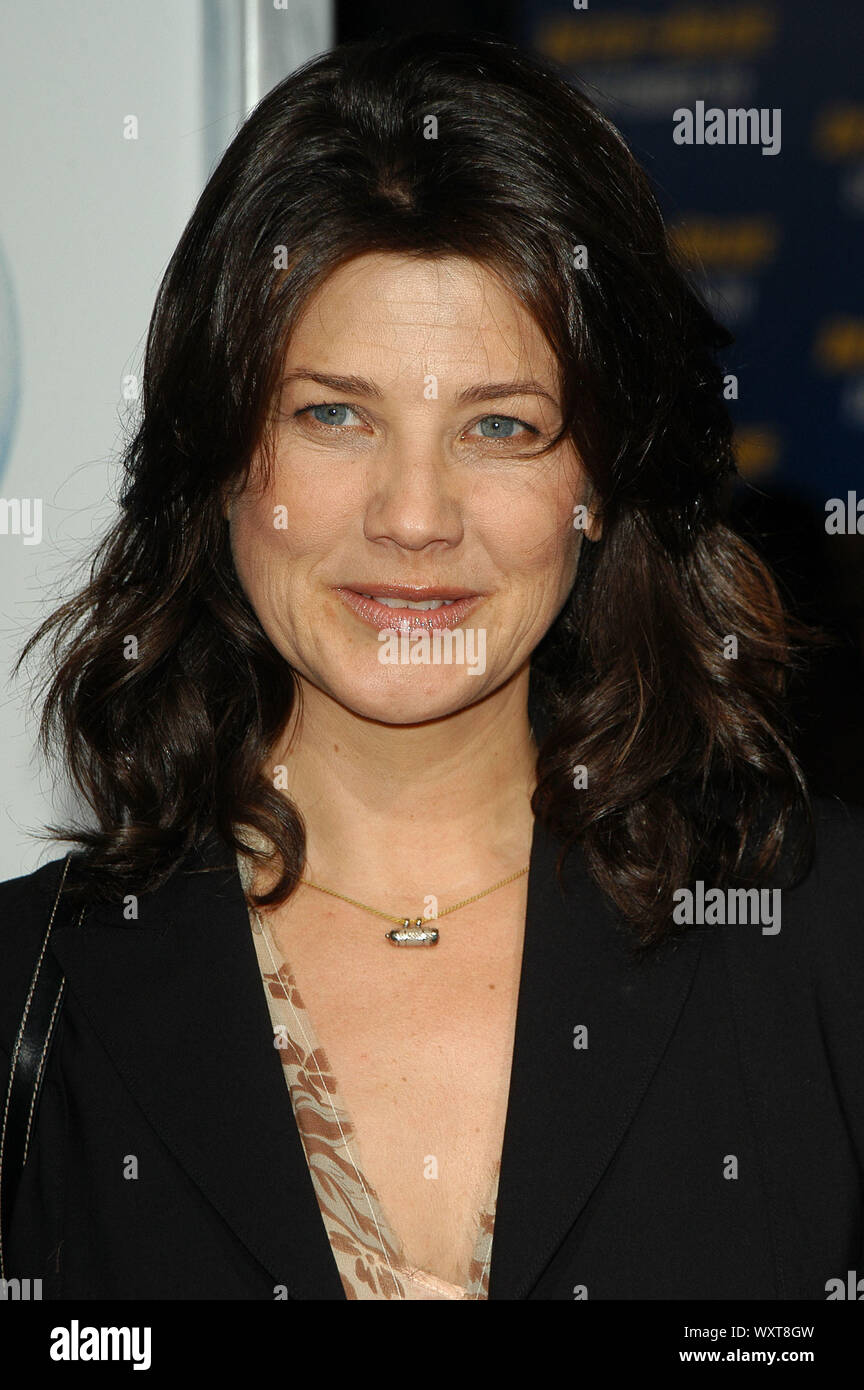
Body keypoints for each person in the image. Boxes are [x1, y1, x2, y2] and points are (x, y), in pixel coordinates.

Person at [1, 30, 862, 1302]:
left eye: (500, 426)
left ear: (605, 483)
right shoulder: (38, 990)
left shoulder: (820, 940)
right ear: (221, 457)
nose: (414, 514)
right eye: (333, 414)